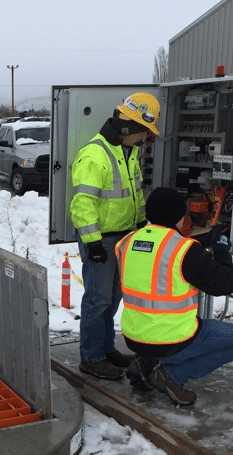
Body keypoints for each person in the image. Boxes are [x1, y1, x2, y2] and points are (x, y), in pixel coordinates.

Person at [115, 187, 233, 405]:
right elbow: (225, 283)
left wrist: (201, 244)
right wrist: (223, 252)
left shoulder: (127, 242)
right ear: (181, 215)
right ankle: (172, 376)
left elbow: (158, 254)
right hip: (172, 342)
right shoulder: (185, 250)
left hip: (134, 336)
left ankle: (142, 363)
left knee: (157, 325)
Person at [70, 92, 161, 380]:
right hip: (102, 240)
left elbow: (132, 195)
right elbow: (82, 203)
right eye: (144, 132)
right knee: (97, 300)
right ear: (128, 127)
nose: (145, 138)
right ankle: (92, 357)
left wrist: (140, 224)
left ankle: (106, 349)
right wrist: (93, 242)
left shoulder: (127, 152)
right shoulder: (95, 155)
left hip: (124, 239)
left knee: (112, 297)